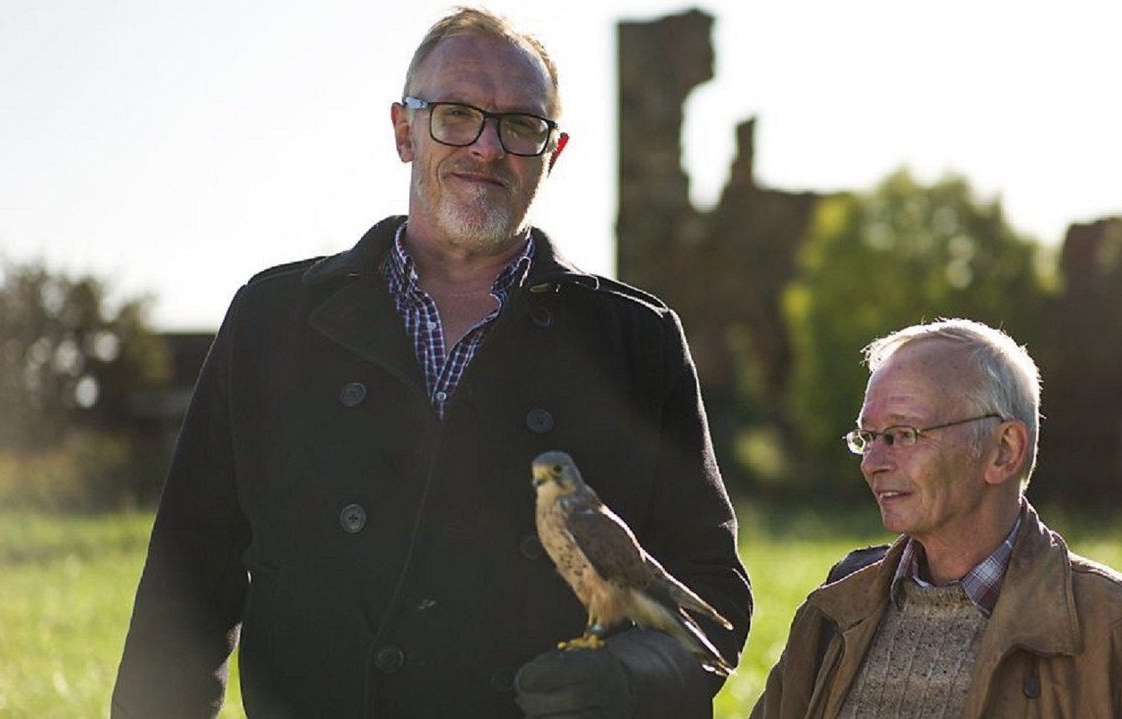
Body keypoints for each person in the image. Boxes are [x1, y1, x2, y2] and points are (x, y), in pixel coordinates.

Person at [111, 7, 751, 718]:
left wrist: (630, 678)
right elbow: (184, 593)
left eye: (519, 125)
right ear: (402, 130)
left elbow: (710, 592)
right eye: (455, 115)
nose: (485, 147)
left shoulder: (635, 340)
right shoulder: (273, 320)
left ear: (553, 151)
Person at [752, 318, 1122, 718]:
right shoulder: (830, 617)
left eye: (902, 434)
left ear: (1004, 451)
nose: (872, 462)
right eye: (867, 436)